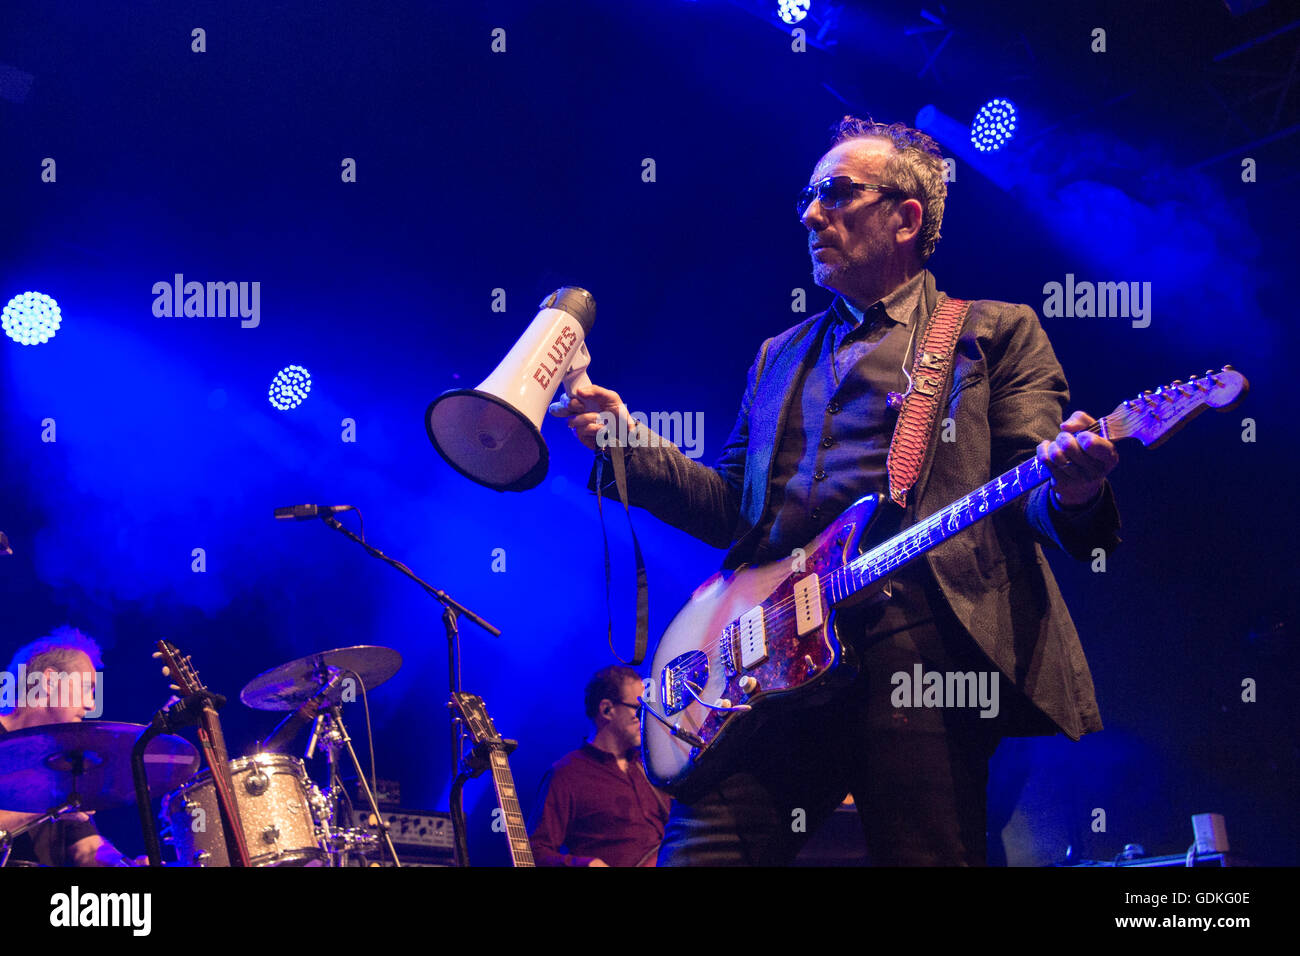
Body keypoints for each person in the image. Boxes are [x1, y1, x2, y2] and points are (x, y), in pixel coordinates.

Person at [550, 117, 1122, 866]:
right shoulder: (777, 355)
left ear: (907, 216)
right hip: (770, 661)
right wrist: (624, 441)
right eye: (807, 198)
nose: (811, 213)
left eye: (835, 194)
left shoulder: (992, 332)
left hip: (917, 653)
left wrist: (1075, 491)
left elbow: (1031, 489)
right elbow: (734, 510)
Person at [0, 626, 137, 866]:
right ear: (50, 681)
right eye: (87, 689)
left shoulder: (61, 762)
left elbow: (87, 848)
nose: (91, 704)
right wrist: (52, 806)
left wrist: (124, 863)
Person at [528, 665, 671, 866]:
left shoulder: (650, 764)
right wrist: (583, 864)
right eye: (639, 709)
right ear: (606, 709)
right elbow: (535, 852)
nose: (645, 717)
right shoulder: (566, 774)